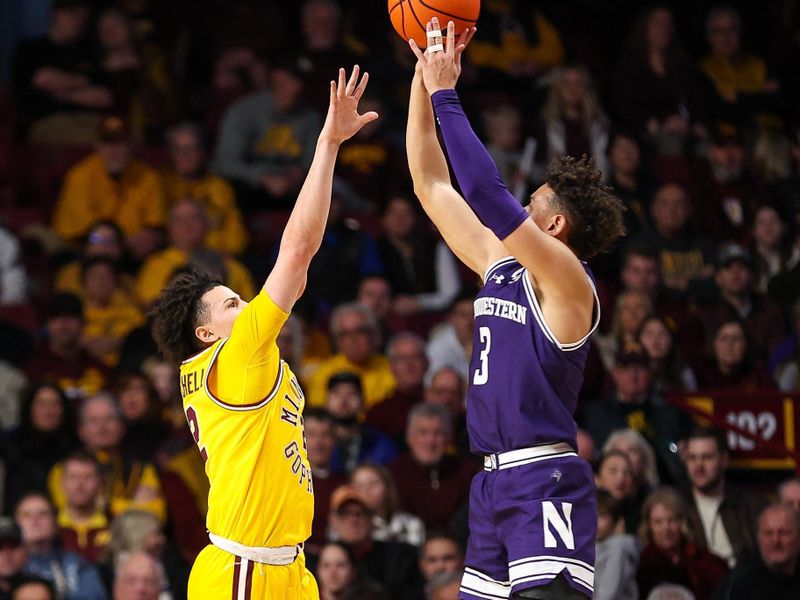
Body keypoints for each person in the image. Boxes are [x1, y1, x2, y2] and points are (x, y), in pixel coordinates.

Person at [408, 20, 625, 598]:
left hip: (544, 479)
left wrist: (447, 94)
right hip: (490, 484)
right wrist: (422, 76)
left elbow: (482, 192)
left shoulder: (569, 281)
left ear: (554, 226)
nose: (519, 212)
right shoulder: (499, 265)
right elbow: (432, 185)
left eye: (531, 206)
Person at [149, 65, 377, 598]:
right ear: (208, 333)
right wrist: (327, 144)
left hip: (286, 567)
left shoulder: (228, 362)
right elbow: (297, 251)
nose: (246, 303)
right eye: (231, 303)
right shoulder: (239, 353)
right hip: (244, 571)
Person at [51, 115, 166, 259]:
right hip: (88, 252)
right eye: (108, 144)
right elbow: (87, 234)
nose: (113, 151)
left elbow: (155, 226)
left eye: (120, 144)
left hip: (135, 253)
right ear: (97, 145)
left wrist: (148, 237)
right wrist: (118, 243)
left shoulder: (148, 177)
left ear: (131, 145)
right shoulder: (79, 176)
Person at [47, 393, 166, 522]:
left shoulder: (141, 469)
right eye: (93, 420)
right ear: (81, 430)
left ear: (122, 427)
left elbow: (156, 515)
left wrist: (104, 506)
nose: (102, 427)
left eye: (109, 419)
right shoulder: (63, 470)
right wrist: (132, 507)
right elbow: (70, 515)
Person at [136, 198, 256, 307]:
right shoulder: (155, 266)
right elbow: (151, 307)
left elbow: (250, 308)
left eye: (194, 217)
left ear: (207, 223)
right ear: (169, 227)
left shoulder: (231, 266)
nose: (187, 225)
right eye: (179, 219)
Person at [160, 122, 248, 256]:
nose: (185, 156)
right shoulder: (160, 183)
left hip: (214, 259)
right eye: (179, 149)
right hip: (170, 258)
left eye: (191, 148)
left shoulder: (220, 188)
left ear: (203, 152)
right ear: (170, 153)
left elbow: (236, 238)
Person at [682, 427, 763, 568]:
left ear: (724, 460)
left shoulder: (750, 505)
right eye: (692, 458)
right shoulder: (677, 505)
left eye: (707, 457)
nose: (698, 466)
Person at [388, 404, 477, 532]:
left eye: (438, 433)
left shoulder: (468, 473)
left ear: (449, 437)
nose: (430, 441)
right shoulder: (393, 475)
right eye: (423, 433)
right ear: (409, 437)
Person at [327, 485, 423, 600]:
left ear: (372, 518)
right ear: (332, 520)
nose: (353, 520)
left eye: (359, 513)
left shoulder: (399, 559)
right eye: (345, 513)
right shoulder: (320, 562)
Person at [636, 487, 728, 600]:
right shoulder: (642, 564)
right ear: (649, 526)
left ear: (682, 523)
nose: (666, 528)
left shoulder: (703, 560)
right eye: (658, 522)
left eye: (672, 520)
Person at [14, 493, 106, 600]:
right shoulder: (7, 563)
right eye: (27, 515)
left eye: (43, 514)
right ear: (16, 521)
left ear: (55, 521)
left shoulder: (76, 565)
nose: (35, 521)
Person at [2, 383, 77, 511]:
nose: (48, 411)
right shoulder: (7, 444)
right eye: (42, 404)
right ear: (30, 407)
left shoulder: (76, 446)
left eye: (55, 404)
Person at [307, 303, 395, 409]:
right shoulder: (323, 374)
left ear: (374, 334)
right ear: (337, 341)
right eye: (345, 334)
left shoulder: (393, 369)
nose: (353, 339)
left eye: (360, 332)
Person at [712, 503, 800, 599]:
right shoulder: (739, 582)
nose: (776, 540)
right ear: (759, 538)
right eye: (768, 533)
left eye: (783, 533)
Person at [324, 372, 397, 473]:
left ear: (363, 401)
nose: (343, 400)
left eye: (351, 394)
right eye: (337, 393)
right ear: (326, 401)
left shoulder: (380, 444)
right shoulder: (315, 442)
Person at [365, 333, 428, 443]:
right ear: (391, 367)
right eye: (402, 359)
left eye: (415, 357)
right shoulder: (378, 414)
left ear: (427, 363)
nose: (409, 364)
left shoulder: (440, 403)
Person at [350, 463, 425, 547]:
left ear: (387, 487)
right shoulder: (346, 528)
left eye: (373, 483)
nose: (366, 490)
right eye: (360, 485)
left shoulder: (411, 525)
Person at [57, 451, 111, 564]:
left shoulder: (114, 524)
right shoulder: (51, 526)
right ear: (62, 482)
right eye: (73, 477)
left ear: (100, 483)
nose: (79, 484)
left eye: (87, 477)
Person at [594, 490, 639, 600]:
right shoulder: (590, 547)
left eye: (601, 516)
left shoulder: (617, 548)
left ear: (614, 520)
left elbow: (608, 595)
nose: (594, 521)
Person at [0, 518, 27, 598]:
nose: (7, 554)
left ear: (26, 550)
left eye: (13, 546)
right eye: (0, 547)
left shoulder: (39, 590)